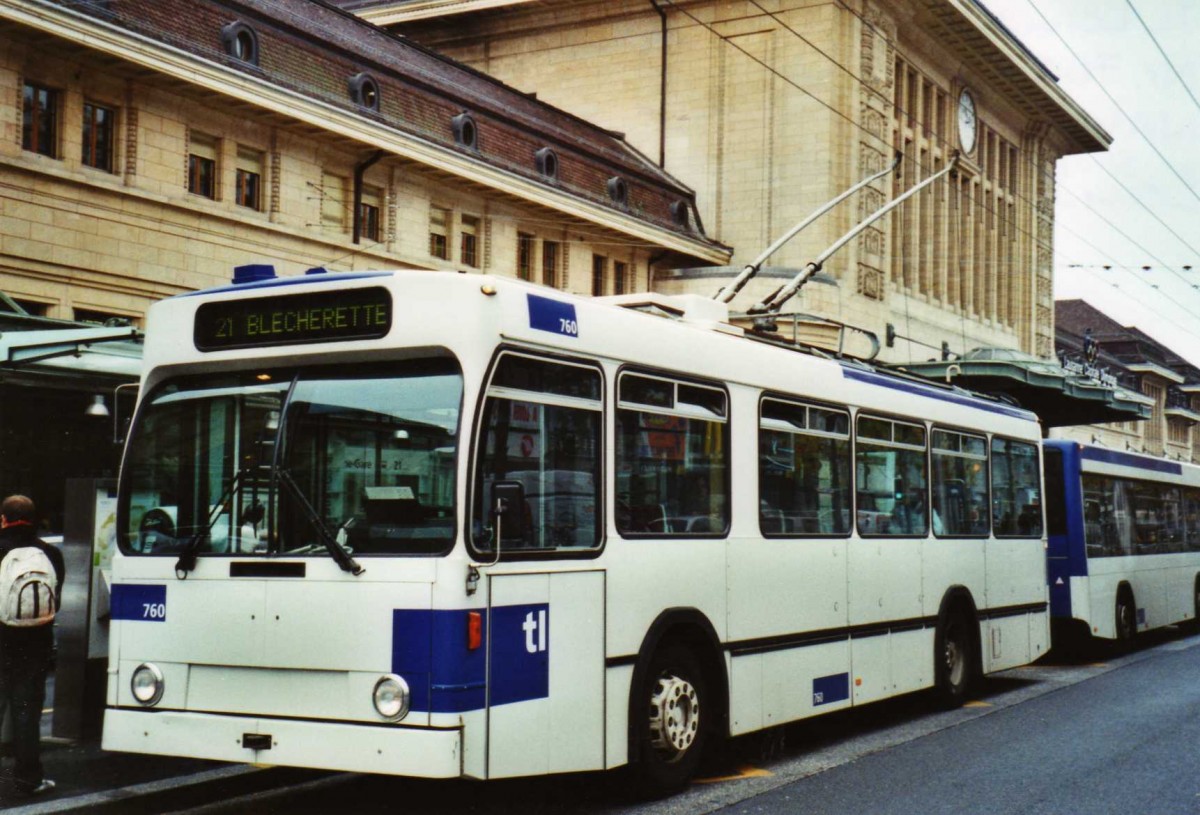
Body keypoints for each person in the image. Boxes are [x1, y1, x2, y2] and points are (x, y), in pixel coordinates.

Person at [0, 495, 64, 797]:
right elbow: (55, 602)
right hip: (36, 644)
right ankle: (29, 779)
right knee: (27, 714)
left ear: (3, 519)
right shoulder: (50, 553)